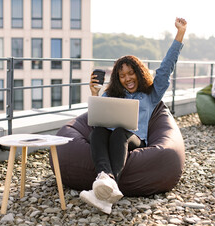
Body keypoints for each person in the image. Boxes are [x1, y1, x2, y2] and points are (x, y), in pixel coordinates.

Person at [79, 17, 187, 214]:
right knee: (97, 133)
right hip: (108, 137)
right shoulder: (111, 94)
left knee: (120, 132)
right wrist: (95, 95)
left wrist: (179, 35)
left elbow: (166, 67)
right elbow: (96, 120)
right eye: (122, 75)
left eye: (131, 73)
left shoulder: (150, 94)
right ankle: (106, 186)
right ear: (117, 78)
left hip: (134, 139)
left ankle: (105, 184)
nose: (127, 78)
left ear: (138, 72)